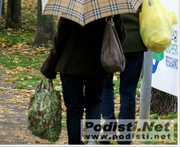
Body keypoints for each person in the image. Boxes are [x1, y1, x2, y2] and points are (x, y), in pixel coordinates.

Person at [40, 16, 126, 144]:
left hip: (70, 65)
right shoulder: (109, 7)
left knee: (74, 108)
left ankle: (75, 143)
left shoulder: (71, 6)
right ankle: (92, 141)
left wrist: (49, 67)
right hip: (97, 65)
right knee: (94, 102)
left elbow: (60, 40)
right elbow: (121, 36)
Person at [100, 11, 146, 145]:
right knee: (128, 92)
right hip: (134, 43)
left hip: (109, 43)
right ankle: (125, 135)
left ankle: (108, 127)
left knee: (105, 85)